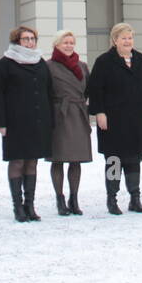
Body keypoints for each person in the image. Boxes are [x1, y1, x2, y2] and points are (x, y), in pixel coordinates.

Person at [87, 23, 142, 214]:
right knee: (114, 160)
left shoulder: (141, 59)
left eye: (130, 38)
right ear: (115, 40)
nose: (128, 41)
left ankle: (135, 198)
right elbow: (95, 90)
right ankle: (112, 199)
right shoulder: (104, 61)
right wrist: (99, 112)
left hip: (137, 119)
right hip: (113, 120)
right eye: (124, 38)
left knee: (134, 158)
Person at [0, 26, 56, 222]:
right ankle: (17, 206)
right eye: (26, 39)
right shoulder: (6, 63)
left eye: (32, 39)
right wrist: (0, 122)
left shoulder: (40, 62)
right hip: (15, 121)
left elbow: (48, 91)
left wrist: (50, 119)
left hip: (38, 120)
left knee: (32, 161)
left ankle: (30, 205)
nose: (30, 42)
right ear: (17, 41)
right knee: (17, 161)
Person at [46, 30, 91, 216]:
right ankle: (60, 199)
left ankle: (74, 198)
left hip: (78, 114)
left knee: (76, 159)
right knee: (58, 158)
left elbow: (88, 89)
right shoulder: (48, 66)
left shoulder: (82, 66)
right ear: (56, 45)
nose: (69, 45)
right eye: (65, 42)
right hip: (59, 115)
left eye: (71, 42)